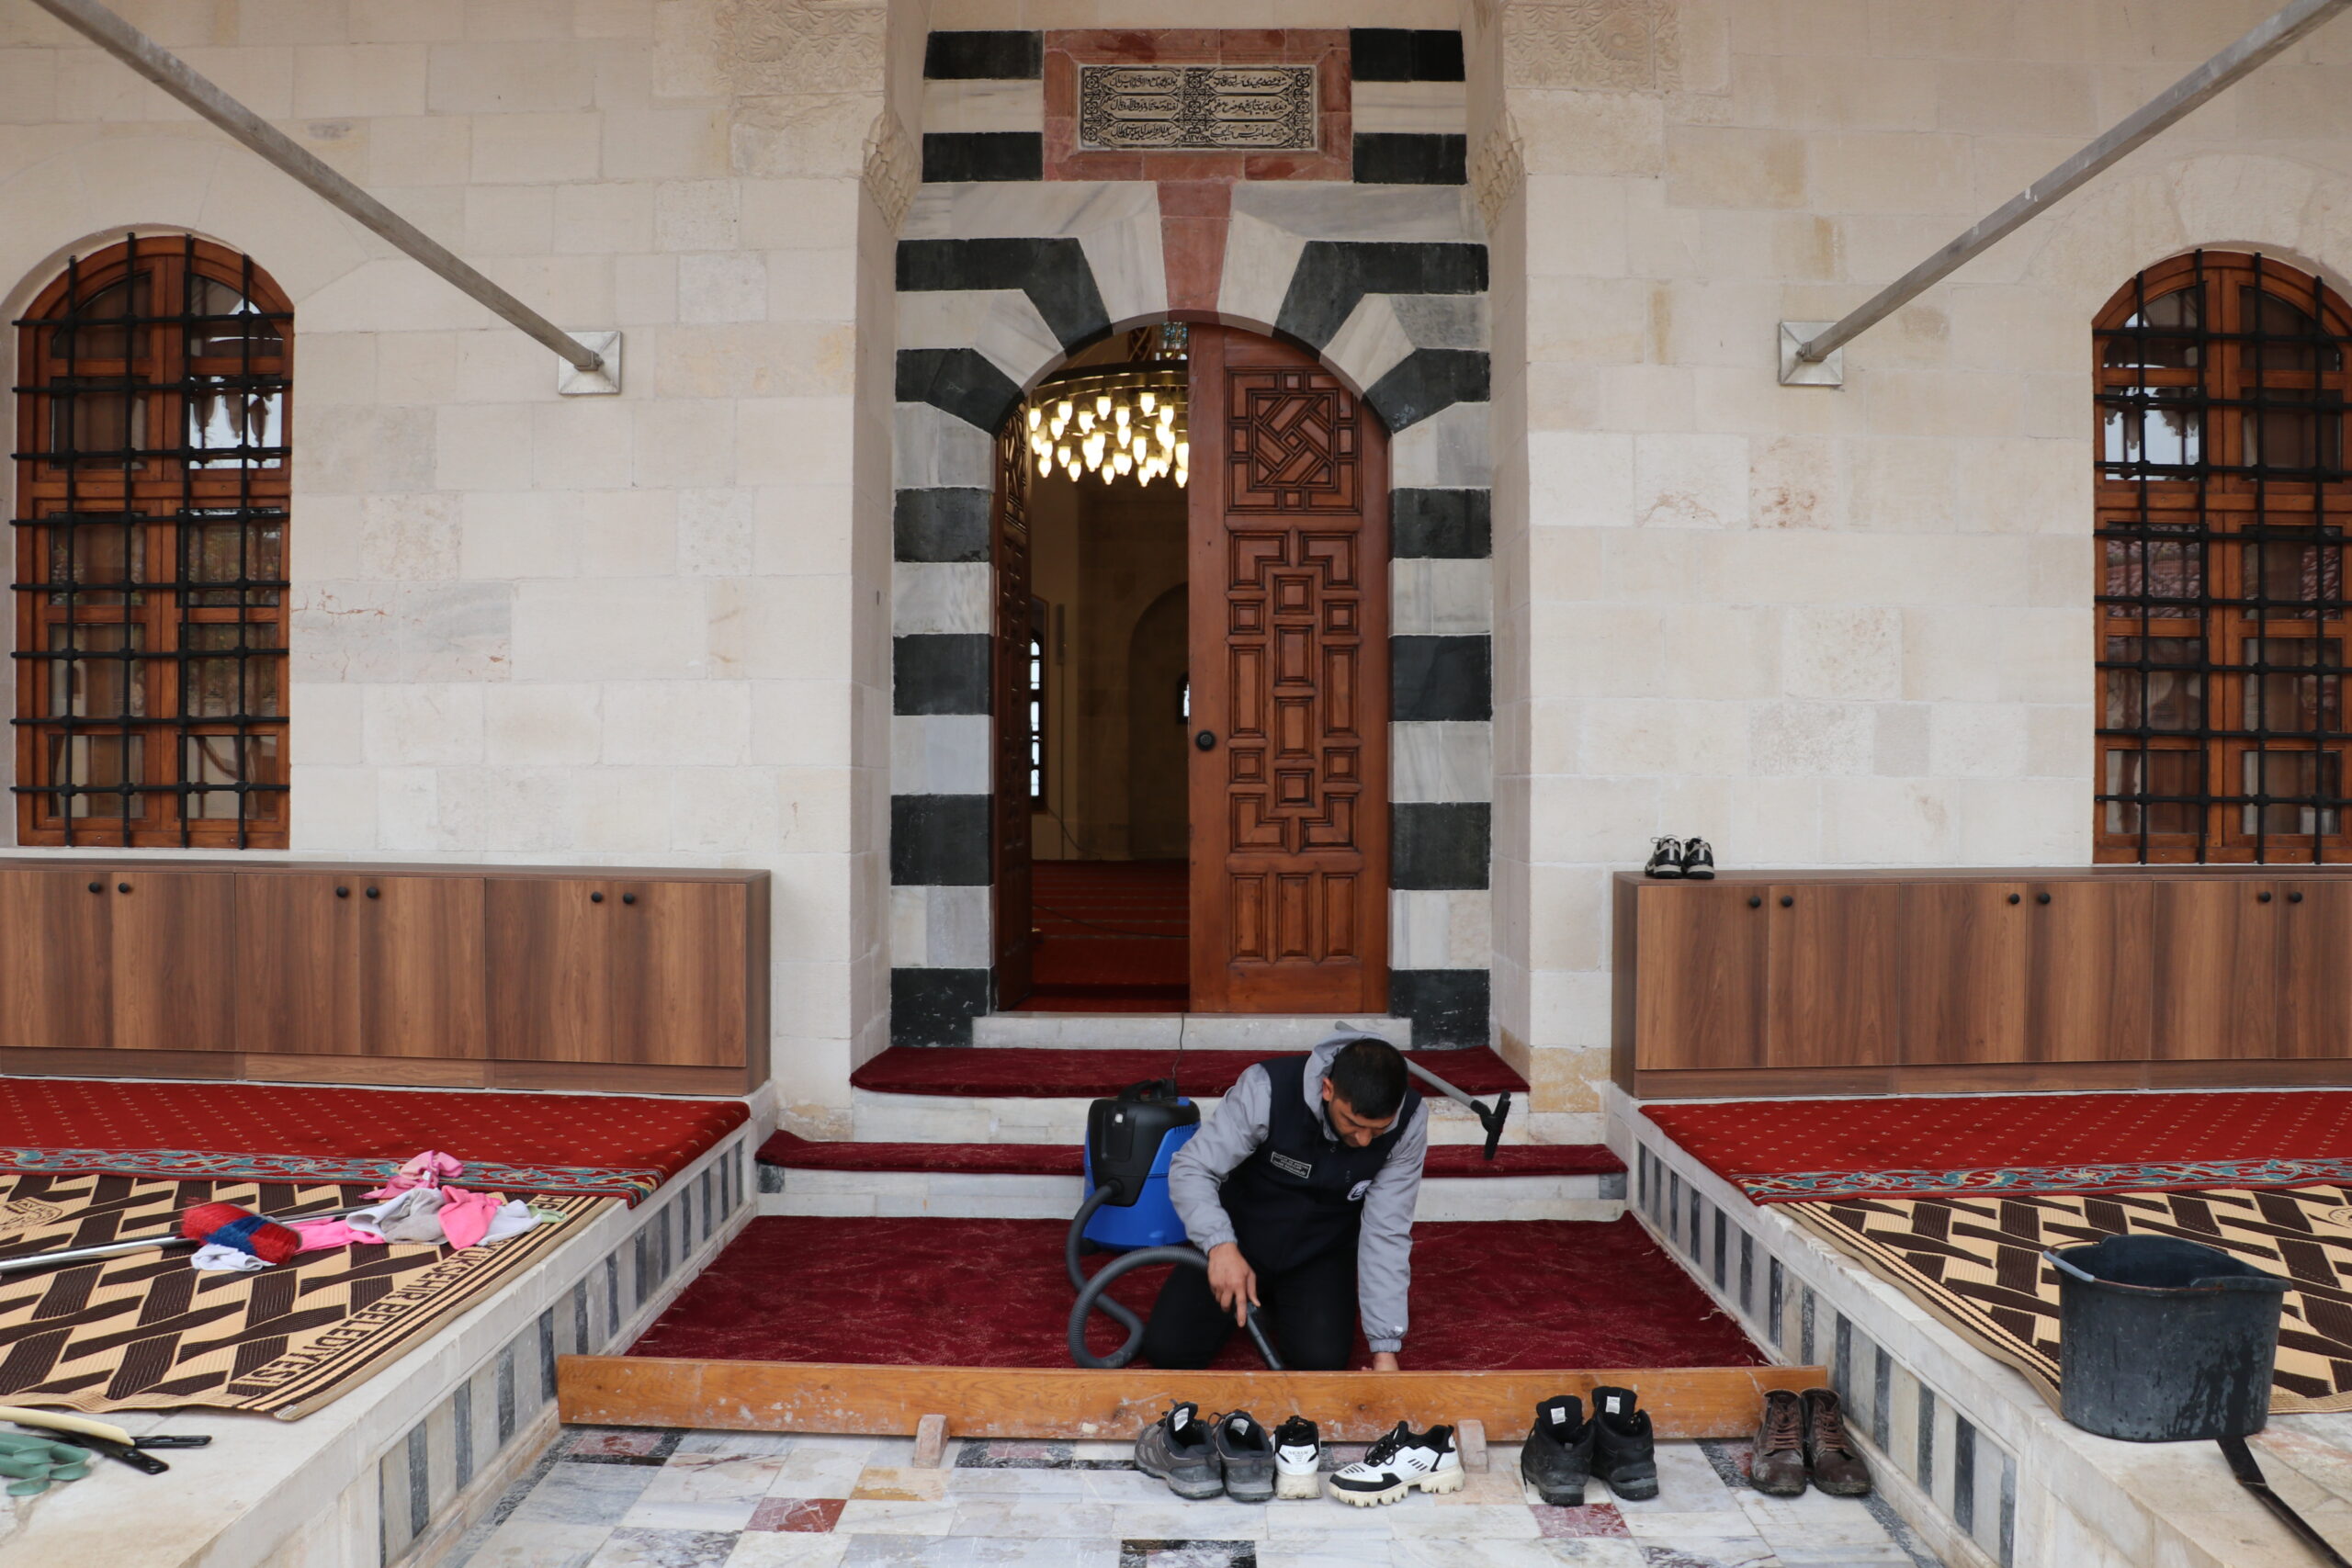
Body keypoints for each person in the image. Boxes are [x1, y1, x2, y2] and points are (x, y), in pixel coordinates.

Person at [1139, 1032, 1426, 1371]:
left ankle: (1279, 1303)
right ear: (1327, 1089)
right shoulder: (1266, 1088)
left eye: (1377, 1131)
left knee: (1319, 1363)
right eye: (1352, 1123)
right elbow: (1193, 1167)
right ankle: (1260, 1293)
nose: (1364, 1141)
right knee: (1168, 1351)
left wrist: (1385, 1349)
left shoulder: (1409, 1120)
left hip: (1321, 1250)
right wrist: (1219, 1246)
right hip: (1240, 1237)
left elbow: (1387, 1230)